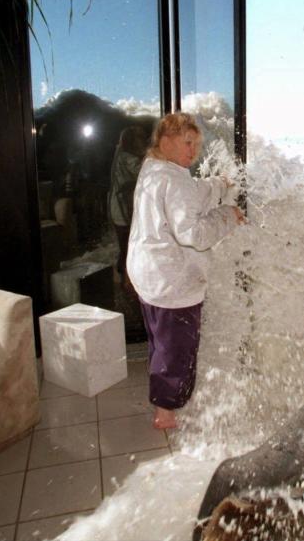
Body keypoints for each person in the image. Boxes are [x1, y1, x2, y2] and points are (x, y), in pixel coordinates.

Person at [127, 112, 245, 430]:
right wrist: (227, 216)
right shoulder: (172, 178)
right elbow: (192, 233)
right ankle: (165, 412)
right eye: (187, 143)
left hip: (148, 274)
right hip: (172, 281)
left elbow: (189, 193)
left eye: (196, 144)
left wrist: (219, 185)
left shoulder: (154, 170)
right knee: (177, 347)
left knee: (160, 341)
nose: (193, 152)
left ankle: (162, 397)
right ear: (165, 141)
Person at [108, 125, 148, 282]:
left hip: (119, 208)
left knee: (125, 246)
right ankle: (127, 280)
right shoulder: (126, 158)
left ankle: (124, 277)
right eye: (140, 140)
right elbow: (144, 171)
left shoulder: (120, 154)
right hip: (122, 209)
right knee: (128, 247)